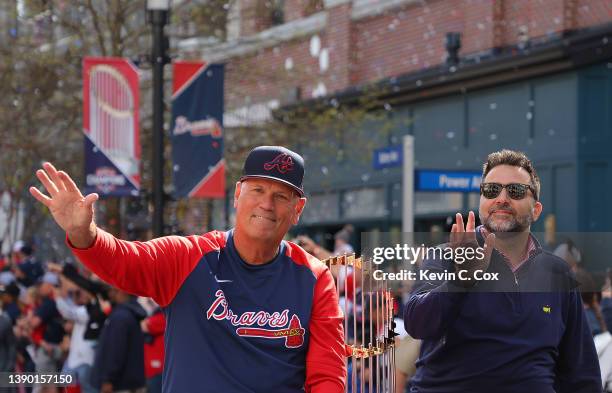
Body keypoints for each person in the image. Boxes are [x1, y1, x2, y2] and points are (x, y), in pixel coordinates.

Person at [30, 146, 346, 393]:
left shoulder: (314, 278)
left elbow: (327, 377)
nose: (267, 204)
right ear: (237, 195)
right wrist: (84, 233)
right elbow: (123, 261)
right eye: (258, 191)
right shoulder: (189, 256)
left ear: (298, 210)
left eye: (280, 196)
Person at [403, 149, 601, 393]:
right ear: (482, 201)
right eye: (491, 190)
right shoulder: (446, 256)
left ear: (536, 210)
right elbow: (417, 324)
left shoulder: (557, 273)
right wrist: (460, 281)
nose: (502, 198)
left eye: (516, 191)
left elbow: (581, 373)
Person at [90, 287, 147, 393]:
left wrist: (108, 379)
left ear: (122, 291)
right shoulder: (127, 313)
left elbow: (116, 350)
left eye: (113, 291)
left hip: (120, 385)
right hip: (129, 383)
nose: (110, 294)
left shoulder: (121, 317)